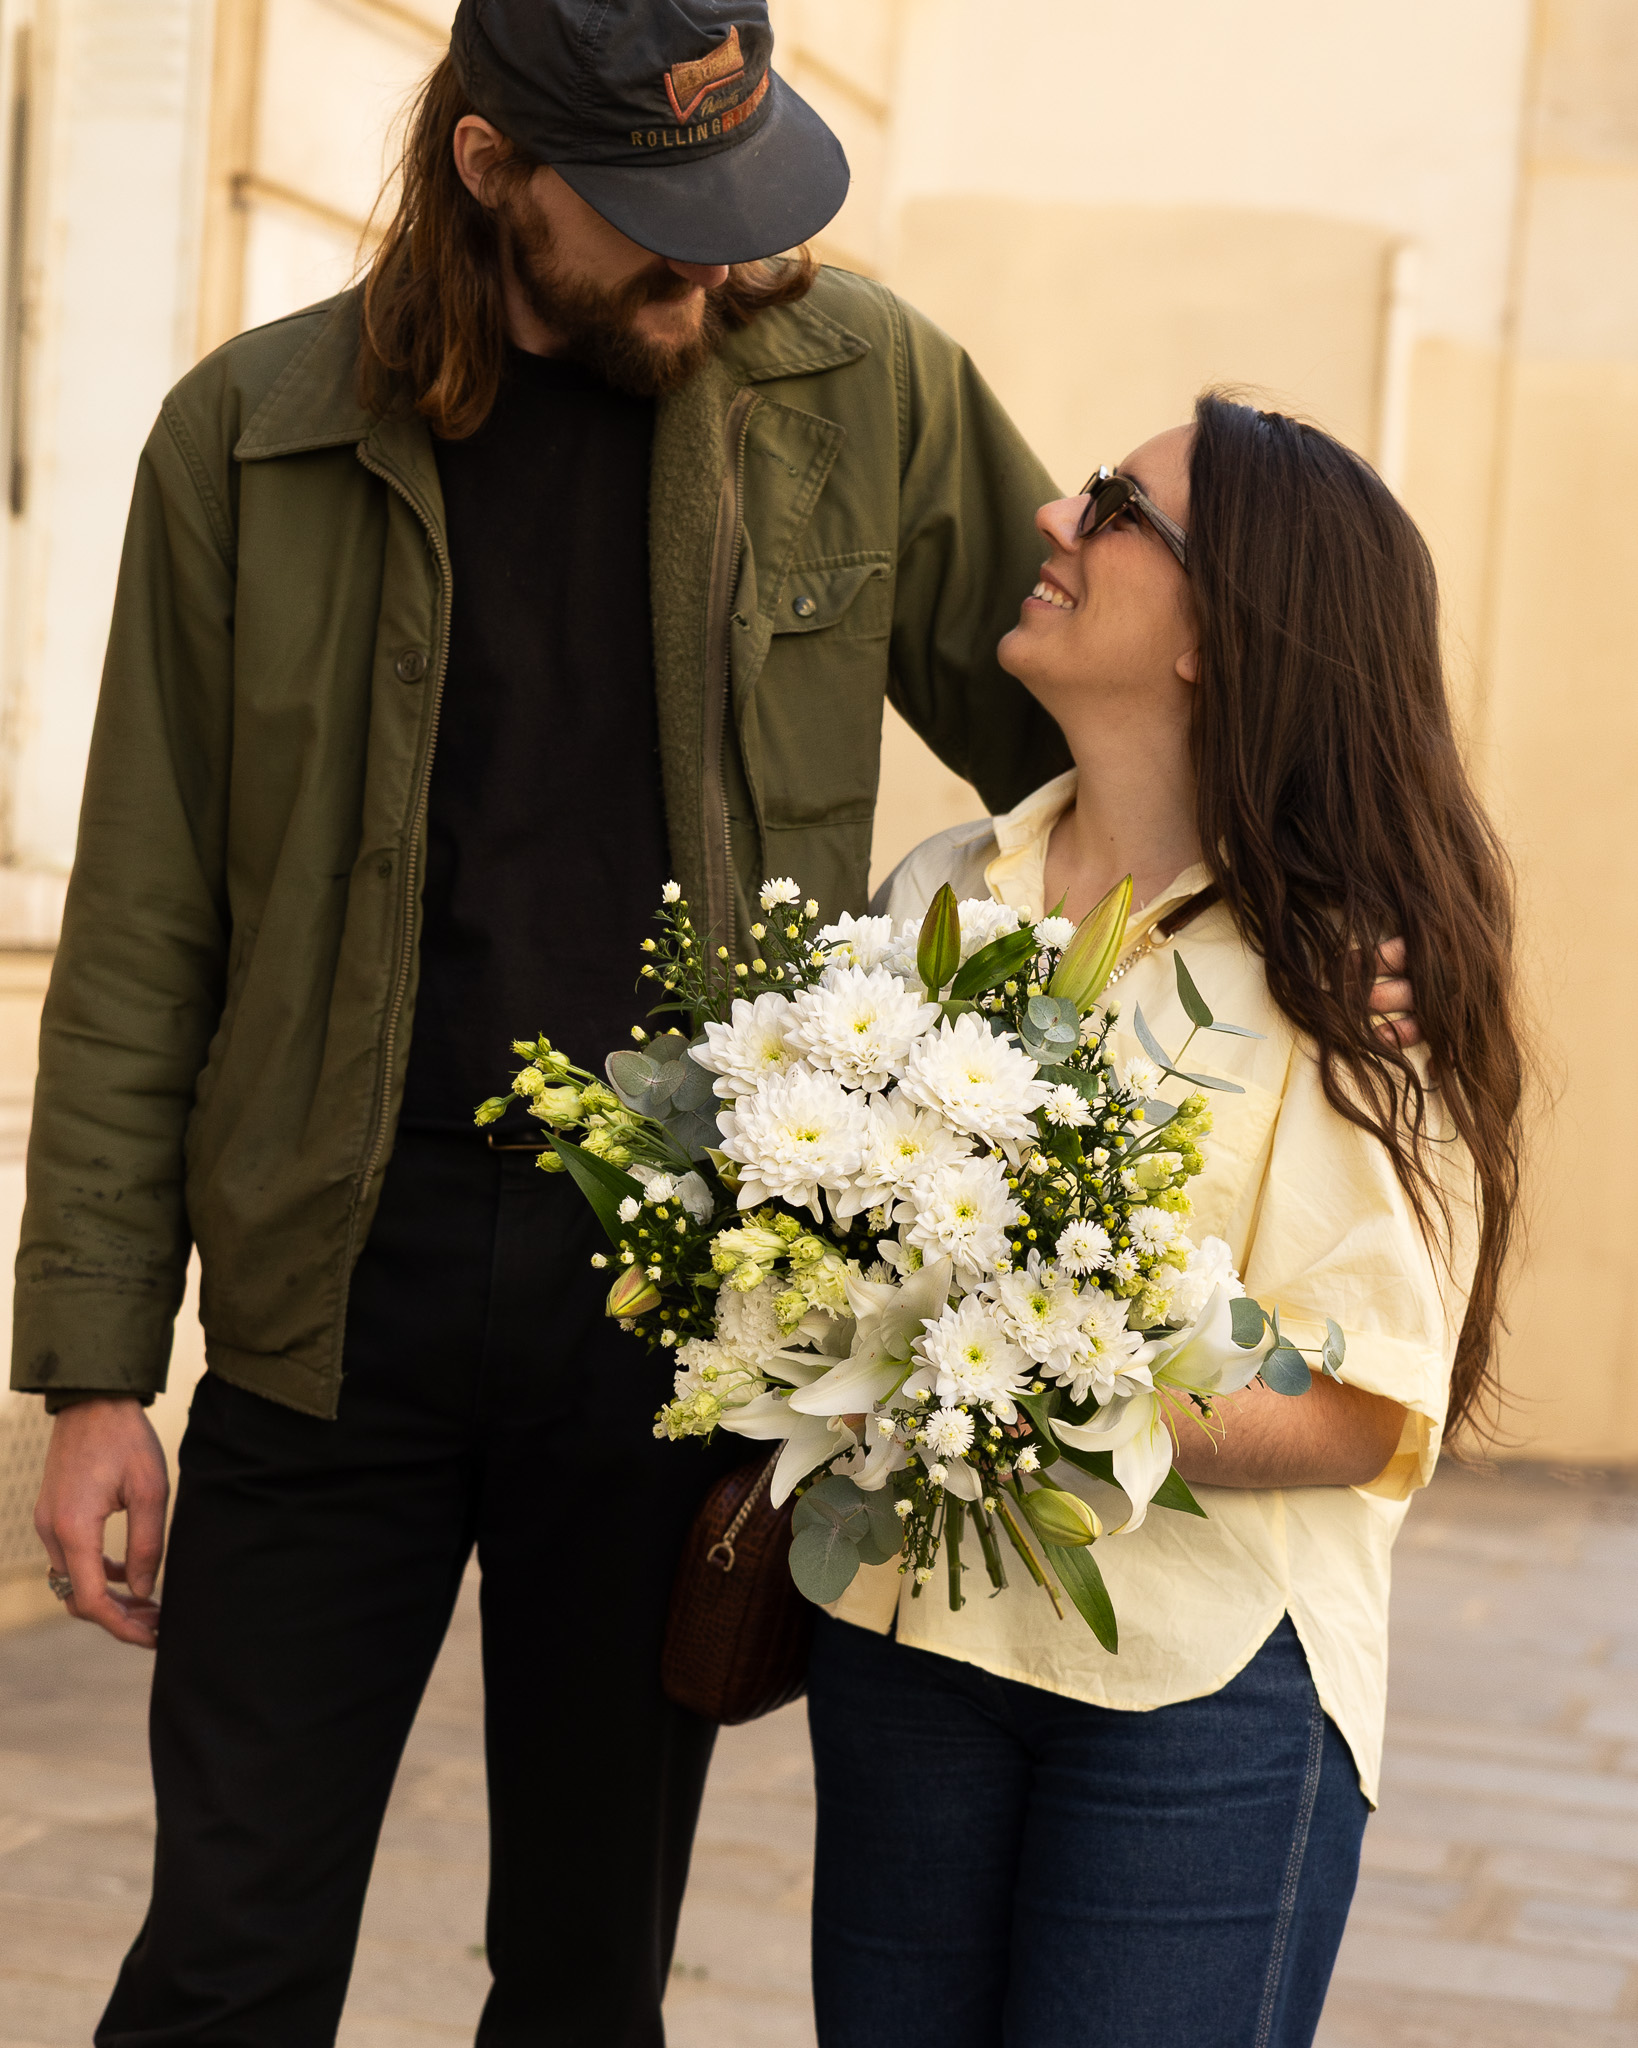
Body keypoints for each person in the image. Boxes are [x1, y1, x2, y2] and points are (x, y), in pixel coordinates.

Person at [13, 3, 1084, 2042]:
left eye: (742, 189)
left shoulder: (863, 387)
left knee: (589, 1978)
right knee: (226, 1960)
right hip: (331, 1297)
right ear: (491, 165)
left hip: (673, 1313)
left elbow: (1090, 745)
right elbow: (148, 924)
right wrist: (90, 1368)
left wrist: (1310, 927)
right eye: (657, 207)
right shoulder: (247, 437)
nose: (718, 252)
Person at [806, 397, 1523, 2048]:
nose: (1052, 519)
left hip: (1198, 1690)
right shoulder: (938, 893)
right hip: (907, 1647)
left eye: (1116, 507)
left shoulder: (1351, 976)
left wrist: (1011, 1392)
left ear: (1221, 633)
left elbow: (1357, 1404)